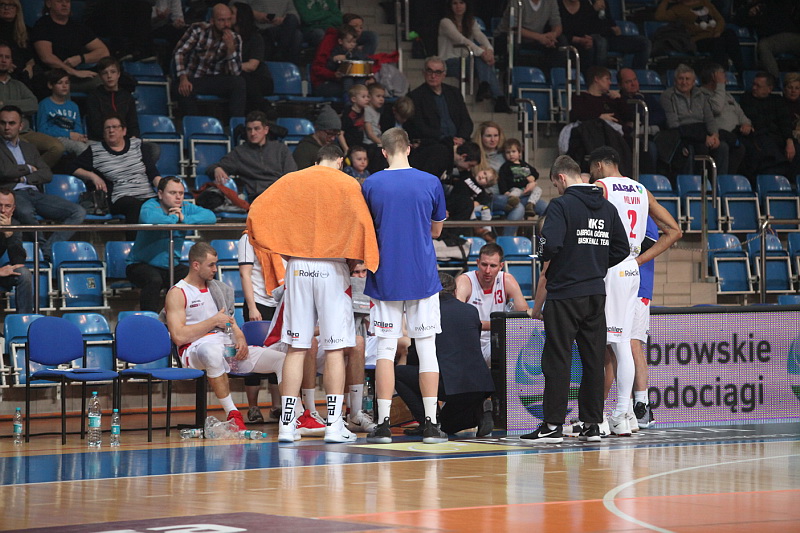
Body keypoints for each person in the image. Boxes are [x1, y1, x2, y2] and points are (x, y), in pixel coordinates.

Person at [246, 143, 379, 443]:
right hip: (332, 267)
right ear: (340, 161)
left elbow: (257, 211)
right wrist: (357, 258)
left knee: (296, 347)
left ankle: (287, 425)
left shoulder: (292, 179)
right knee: (335, 348)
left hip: (297, 266)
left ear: (316, 160)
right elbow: (363, 224)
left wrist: (277, 247)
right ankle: (333, 425)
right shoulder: (348, 183)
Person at [522, 155, 629, 443]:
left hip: (565, 292)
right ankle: (593, 424)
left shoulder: (561, 205)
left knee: (558, 358)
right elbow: (622, 248)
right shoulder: (607, 207)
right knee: (593, 359)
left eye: (555, 184)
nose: (557, 189)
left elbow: (550, 245)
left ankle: (552, 425)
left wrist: (558, 257)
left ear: (560, 178)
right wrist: (594, 263)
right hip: (595, 292)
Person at [587, 146, 682, 435]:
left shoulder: (601, 187)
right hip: (631, 269)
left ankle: (600, 417)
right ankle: (624, 413)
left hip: (610, 269)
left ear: (600, 165)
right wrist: (639, 259)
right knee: (624, 343)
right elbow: (675, 231)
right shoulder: (641, 189)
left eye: (592, 169)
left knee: (607, 348)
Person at [362, 127, 449, 445]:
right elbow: (436, 231)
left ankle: (383, 424)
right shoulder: (431, 182)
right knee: (426, 350)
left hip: (385, 275)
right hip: (421, 275)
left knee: (385, 350)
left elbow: (366, 230)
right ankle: (431, 424)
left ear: (383, 152)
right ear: (409, 148)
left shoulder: (371, 184)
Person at [165, 241, 287, 432]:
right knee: (211, 351)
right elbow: (179, 337)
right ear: (196, 265)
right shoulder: (178, 293)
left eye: (216, 264)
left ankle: (293, 414)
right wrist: (213, 321)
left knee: (282, 360)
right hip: (194, 351)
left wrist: (240, 338)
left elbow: (230, 322)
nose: (215, 269)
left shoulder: (219, 289)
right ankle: (233, 414)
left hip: (226, 347)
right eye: (211, 265)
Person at [397, 272, 496, 436]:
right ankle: (479, 412)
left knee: (399, 373)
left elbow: (416, 355)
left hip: (450, 384)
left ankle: (427, 422)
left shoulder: (426, 315)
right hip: (479, 386)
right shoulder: (471, 311)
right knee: (447, 426)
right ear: (455, 291)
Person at [0, 105, 84, 260]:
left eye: (11, 123)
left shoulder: (29, 148)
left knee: (78, 212)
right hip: (12, 194)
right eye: (3, 123)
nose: (6, 127)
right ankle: (44, 253)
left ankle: (47, 248)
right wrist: (28, 168)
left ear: (21, 126)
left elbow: (46, 174)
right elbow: (4, 172)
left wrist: (23, 178)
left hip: (34, 192)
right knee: (25, 212)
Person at [126, 177, 217, 312]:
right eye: (173, 193)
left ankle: (198, 315)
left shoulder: (186, 207)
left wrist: (184, 219)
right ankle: (150, 319)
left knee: (201, 274)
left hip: (171, 266)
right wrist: (174, 217)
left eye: (181, 193)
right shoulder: (150, 205)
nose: (178, 197)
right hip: (141, 264)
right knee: (154, 280)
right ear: (160, 194)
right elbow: (150, 218)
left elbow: (210, 217)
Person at [69, 115, 160, 230]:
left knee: (163, 203)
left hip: (147, 194)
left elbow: (153, 173)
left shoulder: (137, 145)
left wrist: (164, 189)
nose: (111, 130)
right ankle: (133, 240)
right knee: (135, 206)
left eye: (115, 127)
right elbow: (71, 167)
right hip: (119, 197)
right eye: (107, 128)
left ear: (124, 131)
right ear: (103, 133)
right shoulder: (95, 150)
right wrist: (93, 176)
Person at [455, 243, 529, 364]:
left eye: (493, 266)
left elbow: (524, 316)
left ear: (501, 266)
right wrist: (499, 325)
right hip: (468, 341)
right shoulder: (465, 281)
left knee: (521, 342)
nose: (487, 271)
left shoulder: (507, 280)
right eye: (484, 264)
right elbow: (458, 319)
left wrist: (497, 326)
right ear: (477, 263)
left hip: (494, 340)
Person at [238, 230, 282, 424]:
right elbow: (245, 274)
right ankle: (253, 407)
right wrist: (252, 307)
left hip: (279, 302)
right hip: (257, 303)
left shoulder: (280, 237)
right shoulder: (248, 238)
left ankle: (277, 406)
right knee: (253, 356)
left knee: (278, 353)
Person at [173, 3, 246, 118]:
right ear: (212, 21)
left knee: (239, 83)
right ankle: (194, 124)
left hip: (217, 79)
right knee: (184, 89)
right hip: (194, 78)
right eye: (221, 20)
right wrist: (183, 78)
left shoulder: (235, 38)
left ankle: (236, 124)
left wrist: (231, 51)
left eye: (228, 20)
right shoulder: (198, 30)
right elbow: (179, 52)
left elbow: (235, 73)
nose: (226, 24)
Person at [438, 0, 510, 113]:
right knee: (480, 56)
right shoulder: (445, 22)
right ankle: (498, 97)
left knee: (481, 56)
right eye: (455, 3)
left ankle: (486, 87)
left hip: (468, 62)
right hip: (449, 62)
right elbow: (461, 40)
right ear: (450, 6)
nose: (458, 6)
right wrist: (482, 53)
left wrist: (490, 51)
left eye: (461, 3)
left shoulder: (471, 21)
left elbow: (481, 36)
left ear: (466, 5)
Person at [0, 43, 63, 170]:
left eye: (7, 57)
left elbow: (33, 104)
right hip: (4, 133)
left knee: (57, 147)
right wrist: (20, 107)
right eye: (0, 56)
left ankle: (32, 173)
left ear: (11, 61)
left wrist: (4, 104)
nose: (4, 60)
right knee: (25, 148)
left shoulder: (18, 85)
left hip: (25, 132)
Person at [207, 110, 296, 199]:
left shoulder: (281, 149)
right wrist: (216, 169)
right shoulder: (240, 153)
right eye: (249, 129)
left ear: (266, 130)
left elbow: (292, 175)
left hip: (280, 195)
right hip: (257, 197)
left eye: (257, 129)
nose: (253, 133)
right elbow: (212, 168)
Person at [30, 0, 110, 97]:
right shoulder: (42, 25)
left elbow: (104, 52)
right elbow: (47, 57)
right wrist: (73, 72)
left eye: (67, 1)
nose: (64, 4)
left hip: (73, 76)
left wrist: (80, 58)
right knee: (62, 86)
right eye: (60, 1)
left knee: (104, 81)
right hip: (50, 76)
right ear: (49, 4)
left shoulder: (77, 26)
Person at [661, 64, 729, 175]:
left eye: (687, 79)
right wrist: (703, 137)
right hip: (681, 134)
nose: (684, 82)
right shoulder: (667, 96)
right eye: (681, 79)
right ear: (675, 81)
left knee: (723, 147)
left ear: (693, 82)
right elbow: (673, 124)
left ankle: (719, 182)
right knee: (694, 148)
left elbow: (709, 119)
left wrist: (714, 135)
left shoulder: (701, 95)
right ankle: (694, 182)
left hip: (701, 131)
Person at [655, 0, 744, 77]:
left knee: (730, 34)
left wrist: (718, 31)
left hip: (715, 35)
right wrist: (666, 1)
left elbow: (720, 19)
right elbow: (659, 16)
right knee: (719, 42)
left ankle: (742, 71)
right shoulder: (677, 9)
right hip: (699, 39)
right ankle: (719, 74)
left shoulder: (705, 3)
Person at [559, 0, 651, 71]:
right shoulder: (582, 3)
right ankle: (599, 77)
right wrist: (593, 9)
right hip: (593, 36)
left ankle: (635, 77)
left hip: (610, 36)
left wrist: (614, 26)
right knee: (601, 42)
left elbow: (607, 18)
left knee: (644, 43)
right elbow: (580, 26)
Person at [405, 56, 474, 148]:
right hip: (434, 143)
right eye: (429, 71)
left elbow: (466, 121)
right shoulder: (415, 96)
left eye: (438, 72)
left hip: (459, 142)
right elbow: (419, 126)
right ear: (424, 73)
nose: (433, 76)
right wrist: (446, 140)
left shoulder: (454, 92)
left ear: (444, 75)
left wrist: (462, 138)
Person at [740, 71, 797, 179]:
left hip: (778, 137)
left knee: (796, 148)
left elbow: (784, 122)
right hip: (758, 136)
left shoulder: (777, 100)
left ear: (769, 89)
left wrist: (789, 141)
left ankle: (792, 182)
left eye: (758, 86)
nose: (754, 88)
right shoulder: (746, 99)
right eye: (753, 84)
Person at [699, 62, 750, 175]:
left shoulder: (727, 95)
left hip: (737, 133)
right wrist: (720, 85)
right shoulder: (701, 94)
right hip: (718, 135)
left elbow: (741, 114)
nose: (725, 78)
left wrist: (746, 124)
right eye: (722, 75)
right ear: (713, 77)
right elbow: (716, 108)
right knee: (725, 147)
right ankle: (722, 181)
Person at [310, 12, 376, 98]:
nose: (358, 30)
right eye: (354, 27)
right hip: (326, 81)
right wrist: (334, 74)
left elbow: (365, 60)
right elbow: (317, 68)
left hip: (351, 80)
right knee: (354, 91)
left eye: (361, 27)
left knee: (372, 90)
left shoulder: (355, 48)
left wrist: (370, 77)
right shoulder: (330, 41)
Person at [736, 0, 800, 79]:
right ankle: (773, 80)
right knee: (764, 46)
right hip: (773, 38)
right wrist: (749, 11)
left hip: (792, 34)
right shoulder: (749, 9)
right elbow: (738, 20)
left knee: (764, 45)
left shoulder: (776, 3)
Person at [497, 0, 565, 73]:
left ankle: (553, 76)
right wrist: (540, 37)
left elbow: (557, 24)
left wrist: (553, 35)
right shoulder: (517, 1)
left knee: (561, 41)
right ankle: (512, 75)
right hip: (508, 36)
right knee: (513, 41)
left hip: (536, 39)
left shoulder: (551, 2)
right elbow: (514, 27)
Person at [85, 56, 140, 142]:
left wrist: (133, 138)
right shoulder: (93, 97)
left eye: (113, 72)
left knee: (152, 148)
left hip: (125, 141)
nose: (109, 76)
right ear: (100, 76)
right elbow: (96, 127)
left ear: (118, 74)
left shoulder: (127, 97)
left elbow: (133, 125)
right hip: (102, 140)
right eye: (105, 73)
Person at [232, 2, 274, 112]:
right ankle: (262, 106)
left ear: (241, 17)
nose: (228, 15)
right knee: (239, 80)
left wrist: (230, 67)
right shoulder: (227, 36)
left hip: (260, 80)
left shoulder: (255, 37)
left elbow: (252, 66)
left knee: (241, 77)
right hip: (239, 80)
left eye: (232, 13)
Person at [36, 68, 88, 156]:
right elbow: (42, 130)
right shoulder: (44, 104)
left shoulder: (73, 106)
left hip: (73, 138)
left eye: (67, 83)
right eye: (60, 83)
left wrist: (80, 137)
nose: (64, 86)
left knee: (96, 146)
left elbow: (78, 127)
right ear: (50, 85)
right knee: (81, 147)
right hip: (55, 139)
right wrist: (68, 134)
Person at [0, 188, 32, 313]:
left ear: (13, 209)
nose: (3, 210)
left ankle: (25, 321)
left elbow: (18, 261)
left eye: (7, 206)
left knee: (23, 274)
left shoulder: (13, 225)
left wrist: (9, 234)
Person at [499, 138, 547, 218]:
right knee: (515, 191)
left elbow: (535, 172)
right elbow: (502, 180)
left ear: (520, 153)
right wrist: (504, 191)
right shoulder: (506, 166)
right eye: (508, 152)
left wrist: (533, 177)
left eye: (513, 151)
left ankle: (530, 204)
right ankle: (511, 203)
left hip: (527, 189)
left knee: (538, 189)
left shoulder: (524, 164)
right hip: (515, 188)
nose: (511, 154)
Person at [292, 104, 341, 169]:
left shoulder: (335, 148)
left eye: (336, 134)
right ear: (318, 129)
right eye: (329, 134)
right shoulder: (304, 149)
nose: (333, 138)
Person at [0, 0, 35, 86]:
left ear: (17, 9)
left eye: (11, 5)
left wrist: (29, 66)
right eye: (2, 4)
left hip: (22, 70)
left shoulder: (27, 31)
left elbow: (31, 57)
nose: (6, 8)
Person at [339, 83, 369, 154]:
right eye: (363, 97)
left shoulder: (364, 111)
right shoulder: (348, 114)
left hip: (360, 144)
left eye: (367, 96)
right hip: (350, 146)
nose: (367, 99)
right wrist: (346, 149)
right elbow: (340, 133)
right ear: (354, 99)